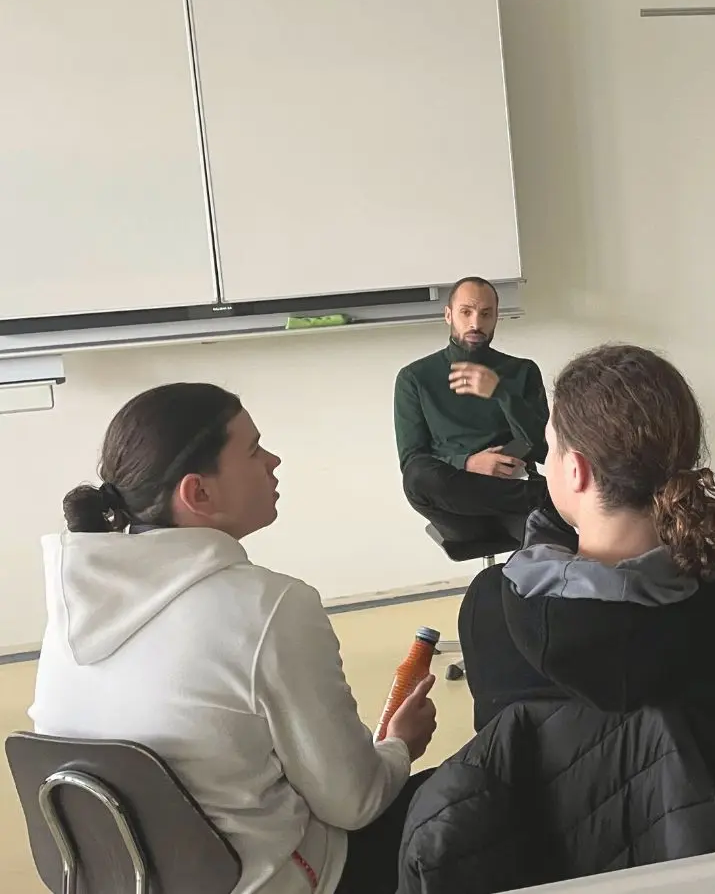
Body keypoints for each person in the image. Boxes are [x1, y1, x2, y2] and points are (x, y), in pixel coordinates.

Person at [29, 383, 440, 894]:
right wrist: (400, 744)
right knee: (472, 791)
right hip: (276, 882)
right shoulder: (270, 607)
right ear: (198, 493)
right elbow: (353, 803)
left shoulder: (72, 610)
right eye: (253, 450)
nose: (274, 460)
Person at [453, 344, 715, 841]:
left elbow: (510, 746)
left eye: (551, 448)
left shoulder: (490, 605)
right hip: (709, 852)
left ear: (576, 470)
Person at [395, 276, 550, 544]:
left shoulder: (522, 371)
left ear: (496, 317)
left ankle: (544, 499)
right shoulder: (415, 377)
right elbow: (412, 459)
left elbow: (543, 448)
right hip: (458, 508)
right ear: (448, 315)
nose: (476, 324)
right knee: (417, 477)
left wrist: (502, 393)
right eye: (466, 312)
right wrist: (468, 463)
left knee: (551, 551)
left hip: (510, 489)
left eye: (486, 314)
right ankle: (549, 495)